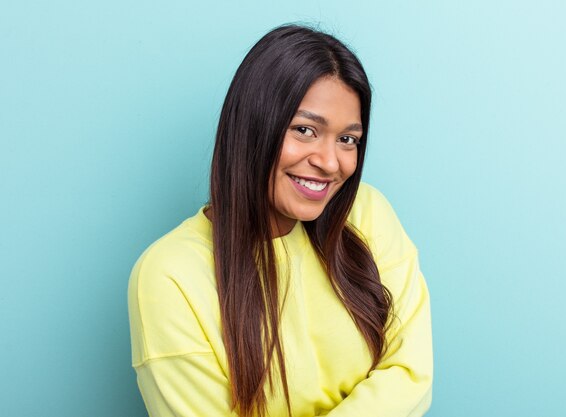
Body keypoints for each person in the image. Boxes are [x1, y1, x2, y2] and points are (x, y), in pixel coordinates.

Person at [128, 24, 433, 417]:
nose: (329, 162)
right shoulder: (169, 276)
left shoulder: (367, 213)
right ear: (253, 127)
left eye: (348, 139)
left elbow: (410, 374)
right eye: (305, 130)